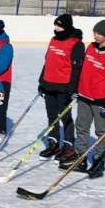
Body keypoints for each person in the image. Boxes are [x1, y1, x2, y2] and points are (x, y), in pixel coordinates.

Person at [59, 20, 105, 178]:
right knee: (81, 127)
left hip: (101, 100)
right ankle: (80, 158)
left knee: (101, 131)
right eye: (95, 32)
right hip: (84, 96)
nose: (95, 35)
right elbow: (82, 70)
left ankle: (98, 161)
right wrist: (76, 89)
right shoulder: (90, 47)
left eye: (99, 33)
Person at [37, 13, 84, 162]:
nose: (57, 29)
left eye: (60, 26)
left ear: (67, 27)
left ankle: (69, 145)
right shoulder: (53, 40)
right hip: (49, 84)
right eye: (55, 26)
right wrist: (41, 81)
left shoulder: (76, 43)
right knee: (52, 116)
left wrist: (73, 88)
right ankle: (54, 142)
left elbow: (77, 68)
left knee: (65, 117)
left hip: (65, 87)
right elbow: (48, 61)